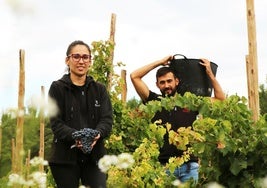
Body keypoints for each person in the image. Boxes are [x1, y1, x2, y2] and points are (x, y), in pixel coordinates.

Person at [130, 55, 225, 183]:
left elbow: (220, 99)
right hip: (164, 168)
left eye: (169, 81)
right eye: (162, 82)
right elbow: (134, 76)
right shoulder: (154, 101)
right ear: (157, 85)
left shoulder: (190, 101)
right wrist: (160, 62)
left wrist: (210, 74)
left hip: (189, 167)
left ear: (177, 81)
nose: (166, 85)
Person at [48, 40, 113, 188]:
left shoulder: (99, 90)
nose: (81, 61)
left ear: (90, 61)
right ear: (67, 60)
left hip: (95, 158)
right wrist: (76, 136)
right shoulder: (57, 88)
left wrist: (97, 134)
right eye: (76, 56)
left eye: (85, 57)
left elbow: (107, 120)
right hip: (65, 159)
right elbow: (56, 123)